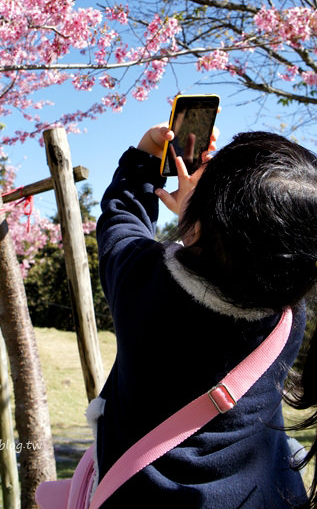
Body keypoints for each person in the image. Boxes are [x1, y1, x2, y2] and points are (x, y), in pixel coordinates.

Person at [92, 122, 317, 508]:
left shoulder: (141, 282)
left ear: (195, 229)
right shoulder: (289, 320)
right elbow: (243, 261)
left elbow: (122, 215)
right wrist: (202, 223)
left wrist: (147, 156)